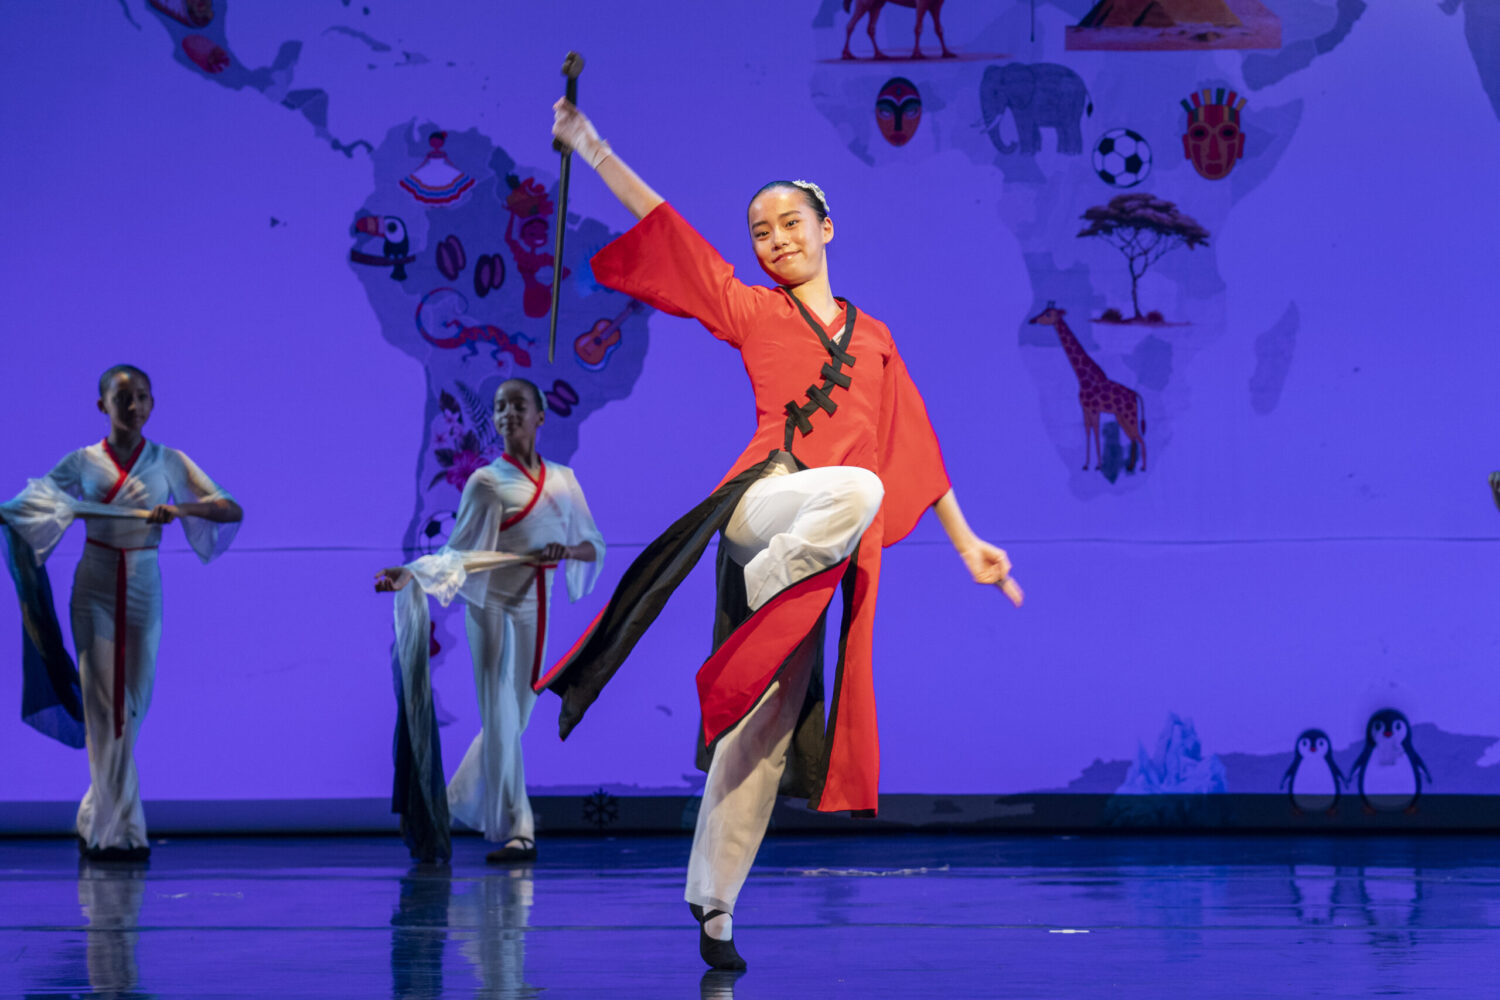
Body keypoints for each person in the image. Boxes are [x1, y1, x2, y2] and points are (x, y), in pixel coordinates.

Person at [543, 100, 1024, 969]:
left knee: (760, 735)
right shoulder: (753, 311)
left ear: (827, 228)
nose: (775, 241)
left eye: (790, 223)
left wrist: (967, 543)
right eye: (761, 231)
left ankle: (714, 904)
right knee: (857, 486)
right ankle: (772, 584)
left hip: (820, 549)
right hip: (763, 509)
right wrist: (592, 145)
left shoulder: (875, 340)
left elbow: (918, 444)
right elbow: (667, 229)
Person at [0, 365, 241, 861]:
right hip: (94, 585)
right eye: (123, 399)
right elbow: (34, 503)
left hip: (143, 584)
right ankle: (120, 832)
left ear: (153, 403)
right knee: (103, 706)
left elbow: (229, 507)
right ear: (102, 406)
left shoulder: (168, 460)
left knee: (131, 707)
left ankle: (95, 810)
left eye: (143, 398)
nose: (134, 408)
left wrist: (181, 511)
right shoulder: (82, 461)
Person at [376, 378, 603, 864]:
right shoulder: (485, 482)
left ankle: (456, 798)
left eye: (518, 405)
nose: (507, 414)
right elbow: (459, 552)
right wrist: (411, 574)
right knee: (498, 713)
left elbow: (592, 545)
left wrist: (568, 551)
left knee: (517, 716)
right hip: (490, 608)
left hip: (536, 604)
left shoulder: (563, 480)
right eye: (500, 407)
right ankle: (519, 830)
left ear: (540, 415)